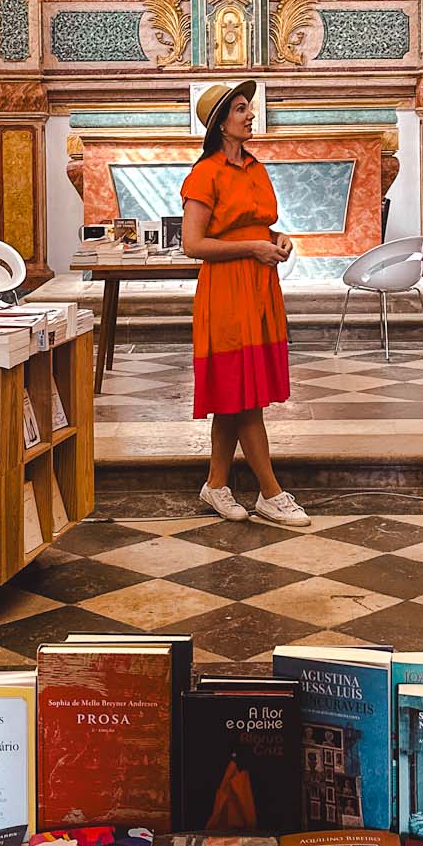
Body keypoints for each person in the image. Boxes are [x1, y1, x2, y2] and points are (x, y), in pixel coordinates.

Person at [181, 80, 309, 527]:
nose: (251, 114)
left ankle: (216, 485)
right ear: (220, 124)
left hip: (260, 287)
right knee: (244, 395)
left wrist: (276, 239)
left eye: (248, 107)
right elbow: (192, 244)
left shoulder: (256, 167)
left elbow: (258, 225)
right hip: (226, 290)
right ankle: (270, 494)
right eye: (240, 109)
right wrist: (251, 248)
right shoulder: (205, 174)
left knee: (236, 395)